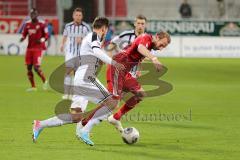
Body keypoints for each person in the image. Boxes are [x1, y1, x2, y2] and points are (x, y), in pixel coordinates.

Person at [32, 17, 125, 146]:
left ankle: (40, 124)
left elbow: (98, 53)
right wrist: (113, 63)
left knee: (76, 117)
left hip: (79, 79)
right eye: (106, 30)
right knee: (113, 102)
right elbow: (97, 51)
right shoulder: (94, 36)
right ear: (104, 29)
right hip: (87, 78)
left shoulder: (90, 37)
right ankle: (85, 130)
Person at [60, 8, 91, 100]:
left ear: (82, 17)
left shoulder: (86, 27)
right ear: (73, 16)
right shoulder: (68, 26)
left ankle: (75, 94)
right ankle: (66, 94)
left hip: (81, 54)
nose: (78, 17)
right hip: (70, 52)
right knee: (68, 72)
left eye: (79, 15)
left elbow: (90, 39)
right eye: (76, 15)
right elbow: (65, 36)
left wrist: (82, 40)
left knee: (77, 74)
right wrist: (62, 44)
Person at [20, 8, 48, 91]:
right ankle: (33, 87)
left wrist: (42, 40)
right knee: (29, 67)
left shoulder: (42, 24)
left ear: (37, 15)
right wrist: (22, 38)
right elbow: (24, 34)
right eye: (31, 14)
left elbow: (46, 35)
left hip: (38, 48)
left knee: (36, 68)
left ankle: (45, 81)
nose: (33, 15)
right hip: (29, 48)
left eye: (34, 14)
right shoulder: (27, 24)